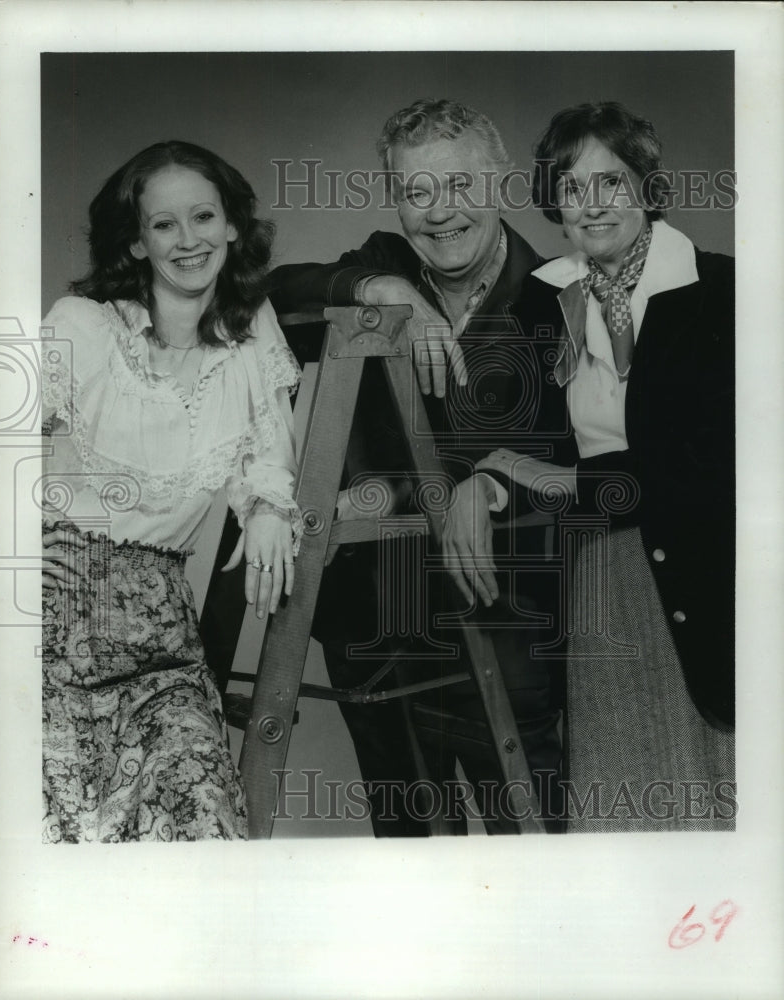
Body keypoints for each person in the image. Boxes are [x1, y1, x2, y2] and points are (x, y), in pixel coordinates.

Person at [268, 98, 564, 834]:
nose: (439, 214)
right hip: (374, 618)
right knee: (407, 842)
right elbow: (264, 296)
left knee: (528, 838)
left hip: (501, 609)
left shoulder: (560, 294)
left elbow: (577, 457)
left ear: (498, 183)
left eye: (459, 186)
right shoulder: (380, 264)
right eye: (415, 192)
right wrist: (380, 291)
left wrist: (491, 484)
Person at [454, 102, 735, 832]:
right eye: (572, 189)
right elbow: (526, 445)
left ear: (645, 186)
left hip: (712, 580)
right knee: (620, 800)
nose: (592, 204)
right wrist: (480, 486)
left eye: (610, 182)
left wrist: (572, 483)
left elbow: (714, 470)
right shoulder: (545, 304)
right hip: (600, 579)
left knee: (716, 795)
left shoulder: (724, 294)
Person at [41, 140, 303, 842]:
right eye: (164, 225)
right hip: (40, 633)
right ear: (134, 242)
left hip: (159, 647)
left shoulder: (249, 341)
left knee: (203, 825)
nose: (188, 240)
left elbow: (268, 451)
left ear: (231, 227)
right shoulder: (82, 327)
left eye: (203, 217)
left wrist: (271, 509)